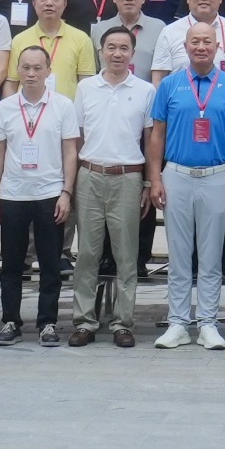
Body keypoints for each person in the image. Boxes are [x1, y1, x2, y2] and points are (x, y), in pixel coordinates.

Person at [145, 25, 225, 349]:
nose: (201, 47)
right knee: (178, 254)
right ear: (185, 46)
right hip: (177, 174)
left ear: (218, 47)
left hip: (216, 175)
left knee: (211, 253)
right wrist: (156, 178)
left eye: (207, 42)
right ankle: (177, 322)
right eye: (195, 42)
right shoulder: (170, 85)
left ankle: (208, 323)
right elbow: (156, 135)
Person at [61, 25, 154, 347]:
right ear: (101, 50)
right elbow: (77, 138)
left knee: (126, 254)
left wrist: (147, 182)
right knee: (87, 252)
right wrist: (70, 185)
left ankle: (122, 322)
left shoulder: (144, 90)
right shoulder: (86, 88)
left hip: (128, 177)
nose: (117, 54)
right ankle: (85, 320)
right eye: (111, 47)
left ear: (132, 53)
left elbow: (149, 141)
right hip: (90, 175)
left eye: (123, 48)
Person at [0, 43, 71, 343]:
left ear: (48, 71)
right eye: (25, 68)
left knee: (49, 263)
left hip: (49, 193)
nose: (31, 73)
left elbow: (70, 151)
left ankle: (47, 322)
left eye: (37, 68)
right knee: (12, 263)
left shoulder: (62, 106)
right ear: (17, 71)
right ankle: (10, 320)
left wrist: (66, 191)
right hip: (13, 194)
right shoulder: (6, 107)